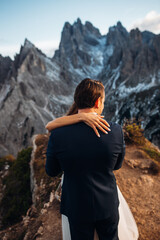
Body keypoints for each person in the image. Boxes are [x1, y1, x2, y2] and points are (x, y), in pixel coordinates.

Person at [45, 78, 139, 240]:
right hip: (106, 203)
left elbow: (51, 171)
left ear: (77, 101)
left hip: (76, 205)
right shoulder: (115, 131)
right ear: (97, 102)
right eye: (103, 101)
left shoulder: (58, 135)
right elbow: (116, 166)